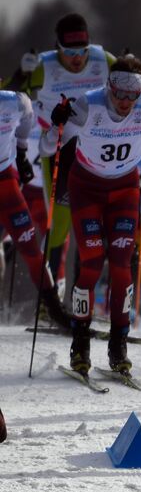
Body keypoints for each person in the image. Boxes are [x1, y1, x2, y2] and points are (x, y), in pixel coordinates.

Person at [42, 55, 141, 376]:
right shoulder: (88, 105)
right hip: (86, 186)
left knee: (121, 264)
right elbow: (48, 148)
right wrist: (57, 122)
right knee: (92, 260)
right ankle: (81, 343)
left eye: (133, 95)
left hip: (125, 188)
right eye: (119, 94)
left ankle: (118, 345)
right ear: (109, 87)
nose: (126, 102)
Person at [25, 13, 116, 292]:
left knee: (94, 225)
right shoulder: (44, 66)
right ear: (57, 48)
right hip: (58, 149)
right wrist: (20, 75)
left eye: (82, 51)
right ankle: (50, 297)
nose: (77, 59)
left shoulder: (106, 62)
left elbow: (134, 91)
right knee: (60, 224)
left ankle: (82, 295)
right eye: (69, 52)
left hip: (95, 148)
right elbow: (10, 95)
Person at [0, 86, 63, 324]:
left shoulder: (14, 101)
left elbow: (27, 116)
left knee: (32, 249)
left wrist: (21, 149)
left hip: (8, 183)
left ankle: (54, 309)